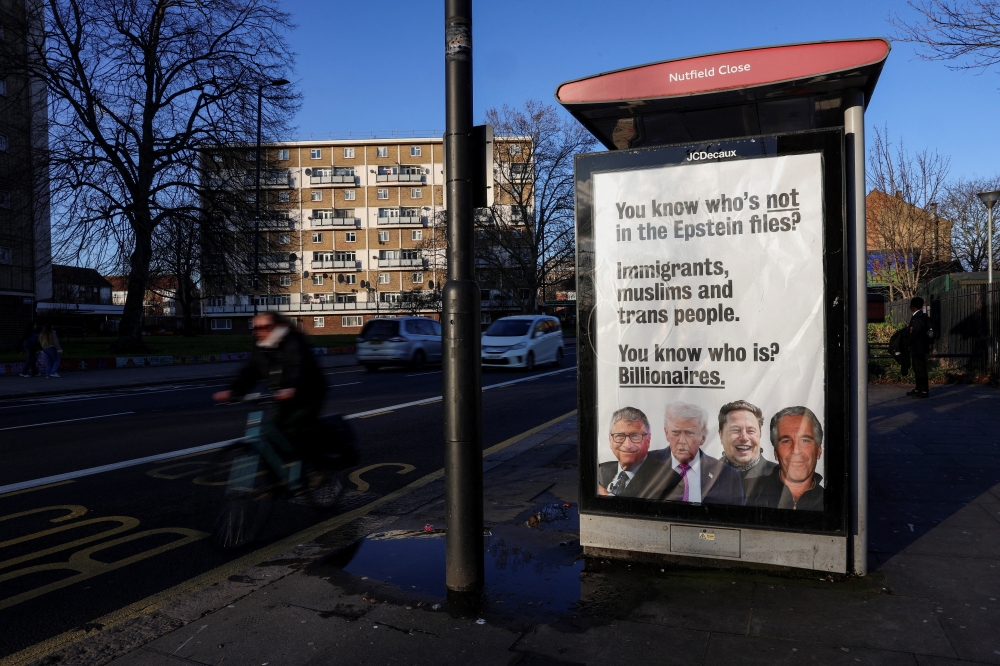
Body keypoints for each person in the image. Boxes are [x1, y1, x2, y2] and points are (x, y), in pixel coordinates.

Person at [213, 312, 327, 460]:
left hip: (308, 392)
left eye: (263, 327)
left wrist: (292, 387)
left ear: (276, 327)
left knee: (295, 429)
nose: (258, 331)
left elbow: (298, 366)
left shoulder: (293, 341)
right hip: (282, 395)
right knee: (271, 432)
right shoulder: (260, 345)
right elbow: (250, 370)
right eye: (255, 328)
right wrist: (233, 390)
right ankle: (279, 480)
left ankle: (315, 468)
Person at [648, 402, 744, 505]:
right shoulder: (646, 464)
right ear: (667, 433)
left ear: (702, 438)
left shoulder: (727, 475)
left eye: (690, 433)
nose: (682, 441)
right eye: (676, 432)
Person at [749, 406, 824, 511]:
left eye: (805, 440)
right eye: (786, 441)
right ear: (775, 453)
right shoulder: (747, 494)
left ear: (819, 451)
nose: (796, 450)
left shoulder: (832, 505)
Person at [597, 406, 672, 498]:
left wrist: (605, 495)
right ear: (610, 440)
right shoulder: (599, 470)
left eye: (635, 436)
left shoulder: (668, 479)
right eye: (620, 435)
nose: (628, 445)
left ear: (648, 440)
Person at [717, 400, 777, 497]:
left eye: (751, 431)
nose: (744, 438)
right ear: (721, 435)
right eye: (735, 430)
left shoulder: (782, 477)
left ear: (760, 434)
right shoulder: (705, 478)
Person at [907, 296, 931, 399]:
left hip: (918, 347)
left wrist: (908, 342)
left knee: (920, 369)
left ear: (913, 306)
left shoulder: (918, 318)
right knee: (917, 368)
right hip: (919, 346)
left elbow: (916, 332)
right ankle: (918, 388)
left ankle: (924, 390)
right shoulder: (920, 316)